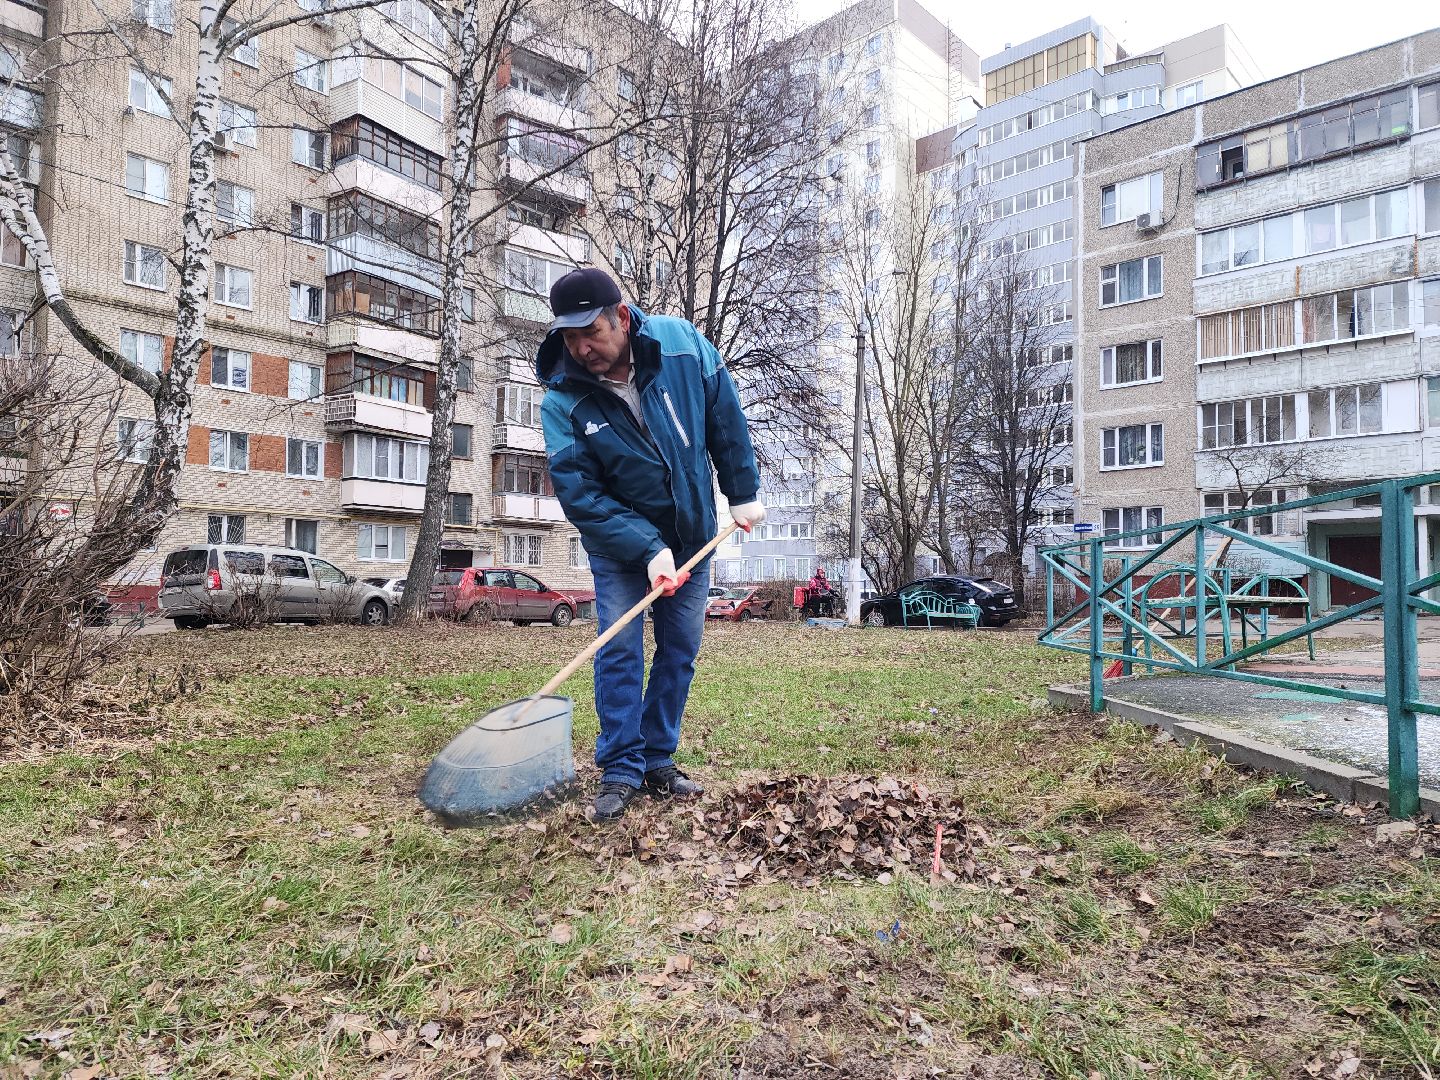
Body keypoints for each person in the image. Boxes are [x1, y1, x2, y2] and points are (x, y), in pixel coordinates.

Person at [536, 268, 764, 821]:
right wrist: (644, 548)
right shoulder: (562, 401)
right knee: (618, 649)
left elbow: (724, 421)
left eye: (590, 332)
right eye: (569, 338)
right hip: (617, 545)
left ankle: (657, 758)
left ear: (620, 315)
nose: (582, 348)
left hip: (690, 534)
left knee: (679, 650)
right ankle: (620, 766)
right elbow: (581, 495)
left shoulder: (684, 348)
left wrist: (742, 490)